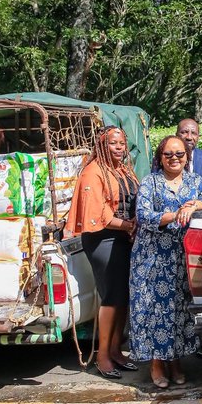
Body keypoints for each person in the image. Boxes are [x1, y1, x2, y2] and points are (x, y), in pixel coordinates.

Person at [130, 136, 202, 388]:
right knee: (154, 311)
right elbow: (144, 216)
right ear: (160, 157)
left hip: (181, 258)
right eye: (168, 154)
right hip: (151, 259)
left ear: (187, 156)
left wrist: (195, 204)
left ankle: (176, 361)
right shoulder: (150, 183)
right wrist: (176, 214)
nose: (174, 158)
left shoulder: (194, 181)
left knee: (178, 311)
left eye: (179, 154)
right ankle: (157, 363)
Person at [68, 127, 141, 379]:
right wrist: (129, 225)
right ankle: (102, 356)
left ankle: (115, 350)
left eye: (122, 143)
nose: (119, 147)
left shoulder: (122, 169)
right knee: (111, 295)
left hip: (124, 237)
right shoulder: (93, 173)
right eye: (113, 143)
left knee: (123, 296)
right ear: (101, 145)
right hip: (103, 239)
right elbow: (99, 215)